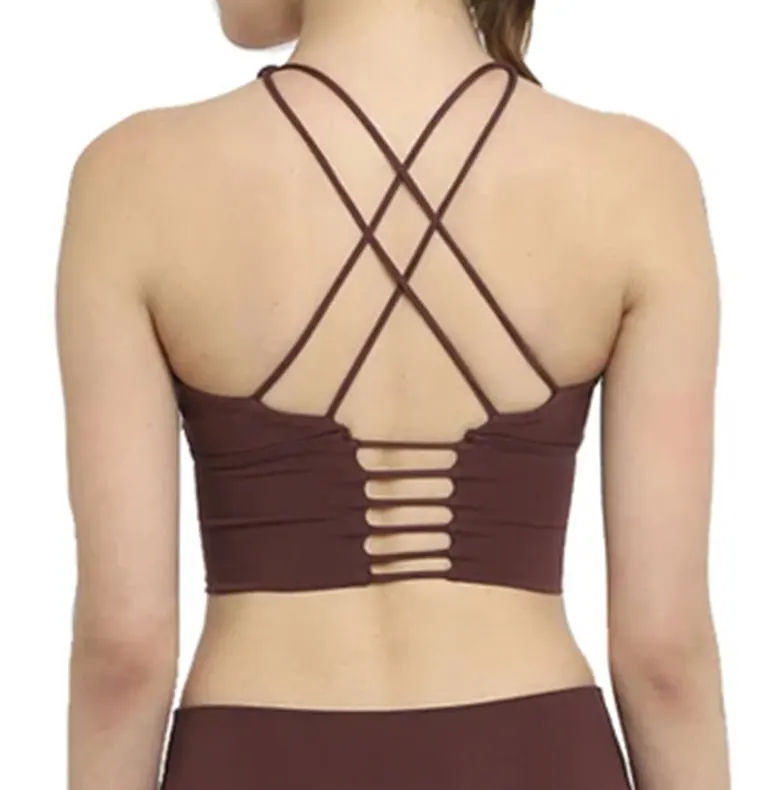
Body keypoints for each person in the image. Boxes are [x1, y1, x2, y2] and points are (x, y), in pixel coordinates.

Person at [57, 1, 730, 788]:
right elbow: (664, 648)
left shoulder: (133, 178)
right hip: (535, 753)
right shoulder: (639, 179)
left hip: (250, 754)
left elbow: (125, 645)